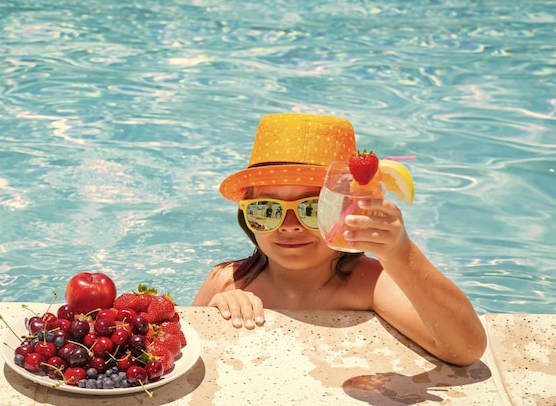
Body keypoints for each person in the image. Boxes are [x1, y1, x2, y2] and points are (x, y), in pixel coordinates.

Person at [193, 114, 487, 366]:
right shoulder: (226, 281)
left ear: (349, 210)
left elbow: (465, 349)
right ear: (246, 217)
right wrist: (217, 308)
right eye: (268, 210)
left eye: (312, 209)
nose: (290, 226)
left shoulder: (369, 285)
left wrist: (400, 253)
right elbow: (185, 352)